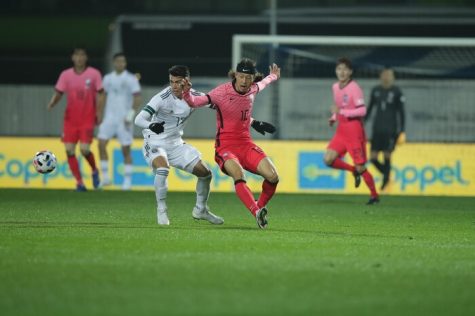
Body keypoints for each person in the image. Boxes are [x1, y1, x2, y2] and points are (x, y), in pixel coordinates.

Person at [181, 58, 280, 229]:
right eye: (241, 77)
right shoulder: (221, 93)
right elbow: (195, 102)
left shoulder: (253, 89)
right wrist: (187, 93)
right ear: (235, 75)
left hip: (246, 144)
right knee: (239, 174)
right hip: (225, 147)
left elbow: (264, 83)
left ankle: (260, 206)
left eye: (248, 78)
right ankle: (256, 212)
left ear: (252, 78)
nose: (244, 81)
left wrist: (273, 76)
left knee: (273, 177)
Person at [134, 65, 224, 226]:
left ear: (187, 81)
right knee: (162, 169)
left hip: (176, 144)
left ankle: (201, 209)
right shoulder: (162, 97)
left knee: (206, 173)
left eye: (178, 82)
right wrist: (151, 125)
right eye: (171, 82)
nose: (174, 86)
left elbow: (221, 107)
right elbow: (139, 119)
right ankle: (161, 209)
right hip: (154, 141)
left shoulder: (195, 96)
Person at [47, 47, 105, 192]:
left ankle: (94, 170)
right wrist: (53, 102)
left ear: (86, 58)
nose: (79, 58)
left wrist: (99, 112)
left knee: (85, 150)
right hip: (70, 119)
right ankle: (79, 183)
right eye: (77, 55)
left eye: (82, 55)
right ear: (72, 57)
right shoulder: (65, 75)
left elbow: (101, 94)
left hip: (87, 118)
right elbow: (59, 92)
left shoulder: (94, 74)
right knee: (69, 150)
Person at [324, 57, 379, 205]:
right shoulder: (335, 87)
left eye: (345, 69)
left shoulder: (354, 88)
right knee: (328, 159)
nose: (341, 72)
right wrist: (334, 117)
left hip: (354, 131)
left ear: (350, 72)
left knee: (361, 166)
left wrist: (341, 112)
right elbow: (339, 106)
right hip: (341, 130)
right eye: (339, 69)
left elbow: (362, 110)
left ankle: (374, 196)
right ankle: (353, 170)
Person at [97, 52, 142, 190]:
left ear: (125, 63)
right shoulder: (107, 78)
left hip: (124, 119)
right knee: (101, 144)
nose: (120, 64)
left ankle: (127, 182)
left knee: (125, 149)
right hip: (109, 117)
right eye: (117, 61)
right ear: (114, 62)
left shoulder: (130, 79)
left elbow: (137, 98)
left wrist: (130, 115)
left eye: (122, 61)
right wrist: (99, 112)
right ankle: (105, 178)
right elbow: (103, 96)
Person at [365, 68, 406, 191]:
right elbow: (370, 108)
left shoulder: (397, 91)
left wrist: (402, 130)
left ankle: (385, 180)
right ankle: (386, 175)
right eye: (385, 75)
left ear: (393, 77)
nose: (387, 77)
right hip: (377, 128)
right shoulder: (376, 90)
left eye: (389, 75)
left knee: (387, 155)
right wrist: (362, 123)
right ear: (381, 76)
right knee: (373, 158)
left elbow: (401, 113)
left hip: (391, 130)